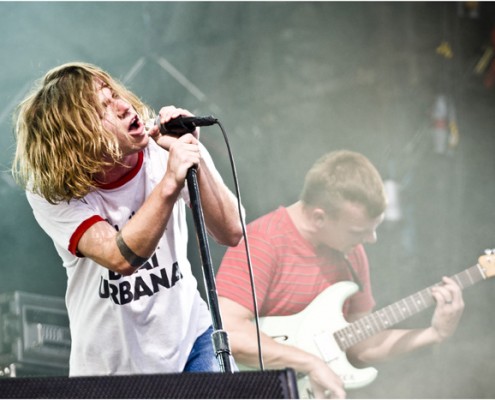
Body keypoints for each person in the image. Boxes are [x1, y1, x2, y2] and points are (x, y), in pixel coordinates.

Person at [12, 62, 243, 376]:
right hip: (110, 369)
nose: (124, 106)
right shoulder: (52, 190)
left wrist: (193, 154)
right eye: (103, 108)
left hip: (192, 343)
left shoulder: (165, 152)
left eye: (114, 95)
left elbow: (230, 232)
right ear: (74, 134)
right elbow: (120, 257)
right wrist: (170, 181)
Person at [215, 150, 464, 399]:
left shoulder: (350, 252)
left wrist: (433, 333)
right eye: (358, 231)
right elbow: (230, 334)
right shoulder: (263, 242)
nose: (371, 239)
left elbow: (361, 344)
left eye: (373, 229)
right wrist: (310, 363)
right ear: (318, 217)